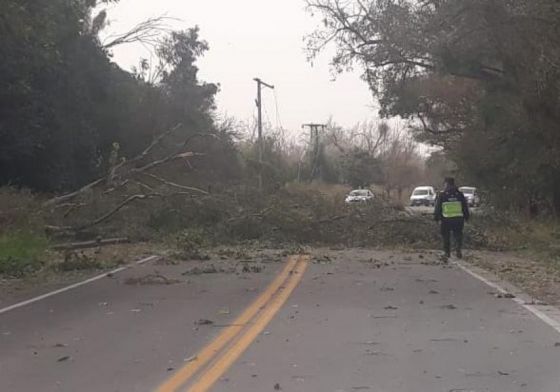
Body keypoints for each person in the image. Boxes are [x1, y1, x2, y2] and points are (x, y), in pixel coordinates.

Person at [434, 177, 470, 260]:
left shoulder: (443, 195)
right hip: (458, 219)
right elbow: (465, 207)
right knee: (458, 235)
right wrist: (467, 217)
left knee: (446, 236)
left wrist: (436, 218)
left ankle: (447, 252)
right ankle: (458, 250)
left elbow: (438, 208)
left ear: (446, 184)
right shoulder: (459, 194)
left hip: (446, 219)